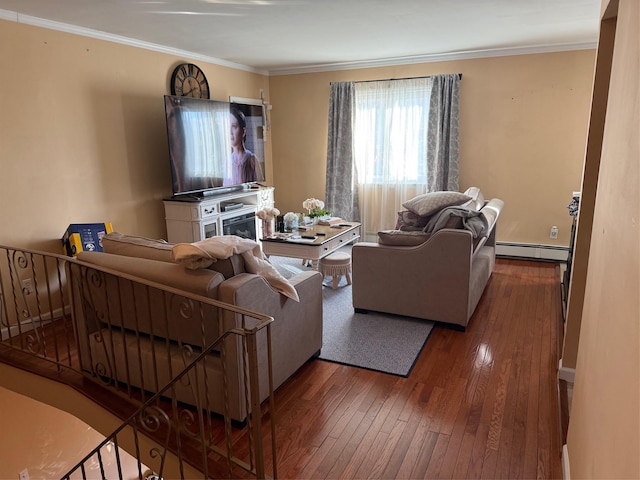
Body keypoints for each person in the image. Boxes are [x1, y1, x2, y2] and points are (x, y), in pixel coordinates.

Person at [224, 108, 264, 186]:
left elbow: (260, 187)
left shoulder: (252, 159)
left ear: (243, 131)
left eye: (234, 127)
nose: (230, 132)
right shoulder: (227, 161)